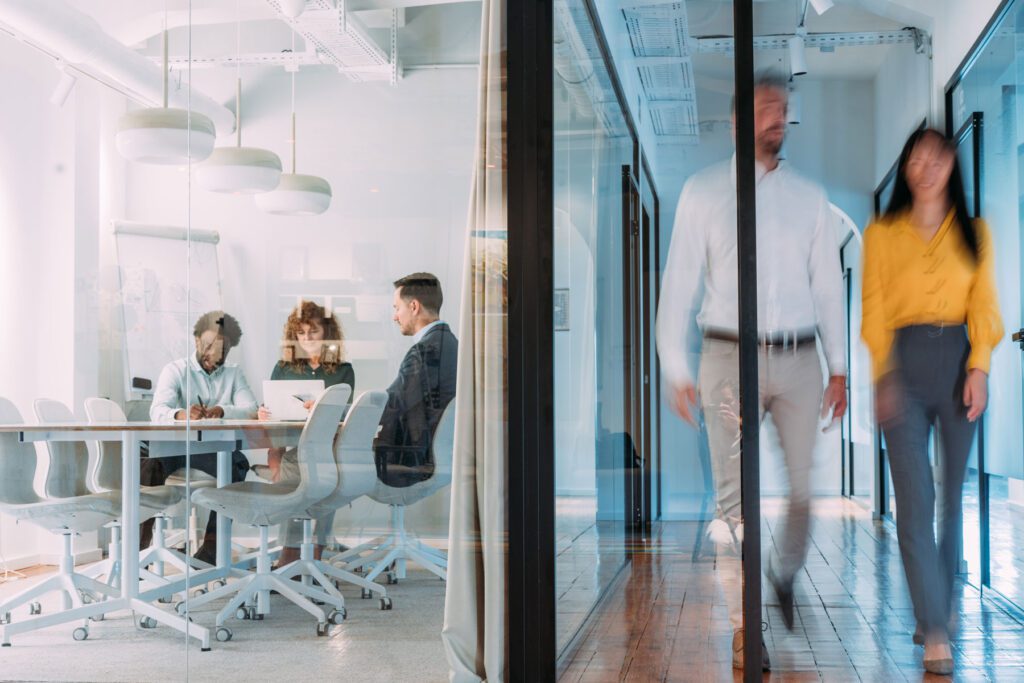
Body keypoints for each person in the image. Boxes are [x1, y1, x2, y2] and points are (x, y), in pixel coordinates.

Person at [655, 71, 847, 671]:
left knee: (803, 492)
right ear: (740, 120)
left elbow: (826, 285)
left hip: (797, 358)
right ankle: (746, 627)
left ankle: (783, 572)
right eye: (766, 107)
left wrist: (839, 366)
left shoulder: (810, 198)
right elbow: (680, 280)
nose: (776, 118)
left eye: (782, 109)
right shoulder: (702, 191)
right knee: (735, 505)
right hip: (725, 355)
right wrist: (673, 365)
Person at [861, 128, 1002, 675]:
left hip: (959, 367)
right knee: (915, 499)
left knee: (949, 499)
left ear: (951, 167)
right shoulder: (881, 234)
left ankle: (935, 606)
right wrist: (883, 375)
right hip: (903, 365)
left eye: (936, 159)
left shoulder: (976, 232)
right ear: (905, 168)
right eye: (916, 159)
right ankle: (936, 627)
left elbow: (985, 304)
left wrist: (981, 367)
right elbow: (872, 309)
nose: (925, 168)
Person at [144, 310, 257, 564]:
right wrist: (182, 414)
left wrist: (222, 411)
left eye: (221, 350)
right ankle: (139, 548)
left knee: (236, 464)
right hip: (175, 446)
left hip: (211, 449)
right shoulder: (175, 370)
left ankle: (211, 552)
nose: (212, 355)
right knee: (148, 462)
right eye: (207, 347)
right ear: (196, 341)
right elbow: (157, 411)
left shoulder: (234, 373)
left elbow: (251, 409)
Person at [257, 300, 354, 566]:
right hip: (293, 449)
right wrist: (263, 413)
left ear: (327, 334)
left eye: (313, 331)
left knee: (319, 469)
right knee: (293, 463)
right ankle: (291, 551)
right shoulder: (283, 368)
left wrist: (323, 408)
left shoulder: (343, 371)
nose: (307, 338)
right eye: (301, 333)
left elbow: (345, 416)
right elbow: (272, 416)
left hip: (328, 449)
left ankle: (313, 550)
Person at [375, 273, 458, 488]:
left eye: (396, 308)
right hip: (438, 455)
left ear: (413, 306)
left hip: (414, 460)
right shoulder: (451, 344)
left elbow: (392, 403)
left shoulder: (427, 351)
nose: (395, 316)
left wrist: (336, 411)